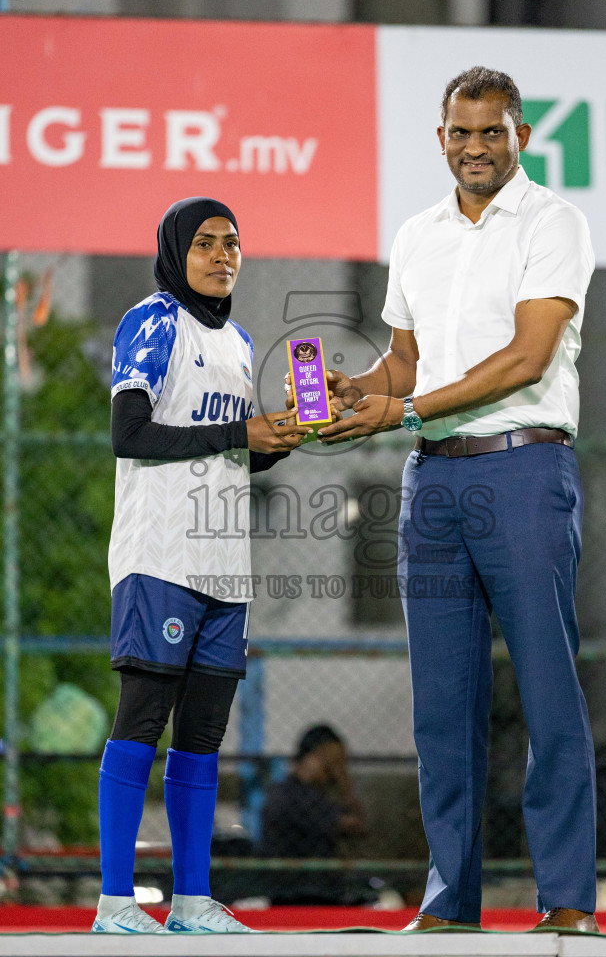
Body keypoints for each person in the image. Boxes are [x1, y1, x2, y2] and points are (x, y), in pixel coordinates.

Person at [313, 67, 598, 933]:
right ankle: (449, 900)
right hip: (430, 480)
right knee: (441, 704)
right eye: (459, 133)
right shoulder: (418, 235)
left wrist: (397, 408)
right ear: (440, 138)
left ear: (519, 137)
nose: (474, 148)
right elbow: (407, 367)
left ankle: (565, 901)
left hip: (521, 471)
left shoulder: (554, 224)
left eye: (491, 133)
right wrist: (347, 389)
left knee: (548, 691)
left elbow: (525, 360)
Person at [93, 197, 311, 935]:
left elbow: (231, 455)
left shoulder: (241, 343)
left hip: (226, 565)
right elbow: (130, 434)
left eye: (234, 243)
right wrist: (236, 430)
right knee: (142, 720)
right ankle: (116, 902)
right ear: (175, 251)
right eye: (207, 243)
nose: (223, 255)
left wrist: (283, 437)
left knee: (203, 737)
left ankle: (191, 901)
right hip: (161, 555)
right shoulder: (151, 320)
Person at [260, 725, 365, 904]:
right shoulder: (295, 796)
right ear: (313, 756)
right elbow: (355, 824)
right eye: (330, 760)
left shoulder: (303, 793)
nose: (331, 768)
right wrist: (342, 779)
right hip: (300, 894)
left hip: (309, 889)